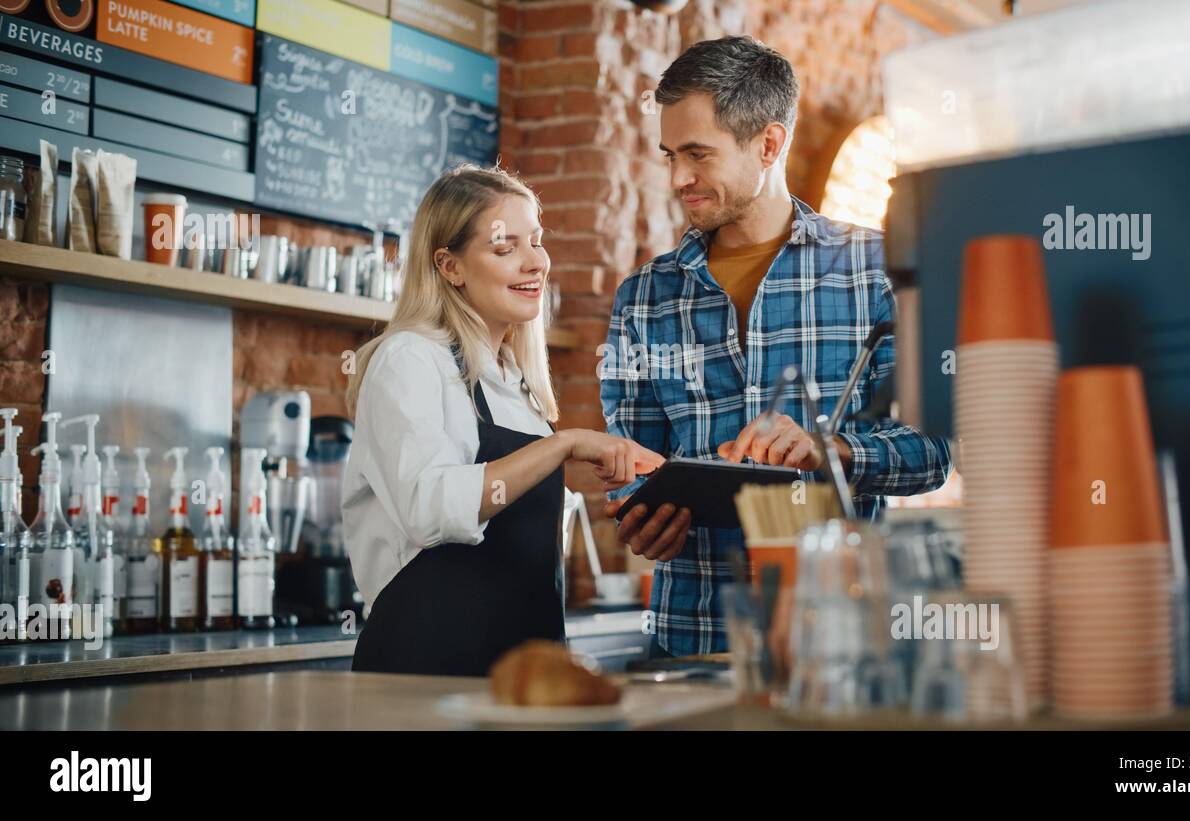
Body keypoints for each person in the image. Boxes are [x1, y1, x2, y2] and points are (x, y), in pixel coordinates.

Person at [600, 36, 953, 658]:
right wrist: (639, 513)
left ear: (769, 143)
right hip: (692, 641)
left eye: (698, 154)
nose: (679, 178)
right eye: (669, 155)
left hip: (842, 642)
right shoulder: (644, 297)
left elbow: (932, 452)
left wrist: (831, 450)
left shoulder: (875, 273)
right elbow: (631, 463)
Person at [344, 165, 663, 676]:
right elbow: (430, 509)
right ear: (450, 266)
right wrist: (566, 446)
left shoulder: (515, 382)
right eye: (505, 247)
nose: (535, 261)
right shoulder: (410, 359)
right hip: (426, 672)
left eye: (535, 241)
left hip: (521, 671)